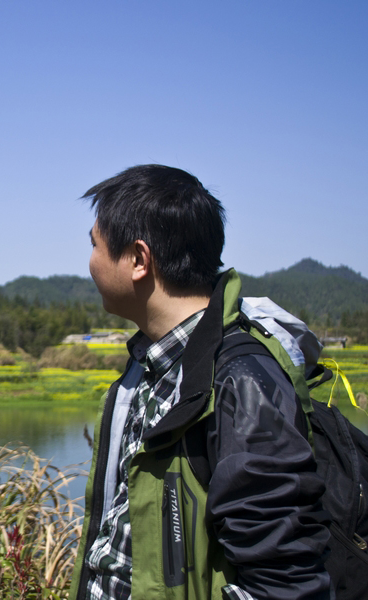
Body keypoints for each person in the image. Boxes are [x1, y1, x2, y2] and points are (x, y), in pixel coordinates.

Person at [69, 165, 331, 599]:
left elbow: (284, 581)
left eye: (94, 245)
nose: (90, 261)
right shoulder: (149, 366)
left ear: (138, 259)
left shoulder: (241, 381)